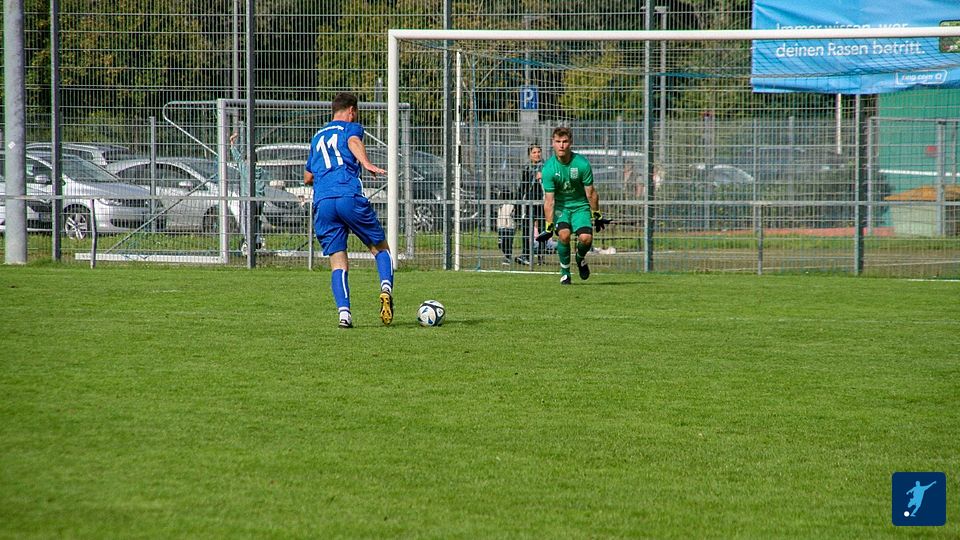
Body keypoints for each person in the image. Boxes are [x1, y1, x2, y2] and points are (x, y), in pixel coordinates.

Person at [304, 92, 394, 328]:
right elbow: (353, 142)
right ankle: (386, 288)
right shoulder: (350, 128)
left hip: (323, 202)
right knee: (380, 248)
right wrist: (365, 162)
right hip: (348, 195)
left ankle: (344, 315)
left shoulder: (317, 136)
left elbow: (307, 177)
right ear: (352, 111)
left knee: (338, 262)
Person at [538, 127, 610, 285]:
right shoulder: (548, 168)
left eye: (565, 141)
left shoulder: (582, 164)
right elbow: (549, 201)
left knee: (586, 239)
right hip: (561, 208)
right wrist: (549, 227)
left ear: (570, 143)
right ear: (552, 143)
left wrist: (597, 214)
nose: (561, 145)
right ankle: (565, 272)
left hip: (580, 207)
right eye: (558, 142)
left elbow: (591, 193)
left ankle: (580, 258)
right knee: (564, 235)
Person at [230, 126, 268, 253]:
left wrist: (232, 144)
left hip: (249, 199)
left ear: (247, 160)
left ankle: (248, 242)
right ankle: (258, 240)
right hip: (260, 200)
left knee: (246, 220)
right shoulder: (261, 171)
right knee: (257, 219)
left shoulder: (244, 167)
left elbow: (237, 158)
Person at [516, 143, 544, 265]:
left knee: (543, 229)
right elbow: (522, 187)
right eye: (534, 152)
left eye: (538, 152)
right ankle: (526, 254)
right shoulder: (527, 169)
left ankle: (541, 256)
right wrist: (517, 203)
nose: (537, 154)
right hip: (530, 203)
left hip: (543, 202)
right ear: (530, 155)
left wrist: (543, 176)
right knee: (526, 228)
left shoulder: (546, 167)